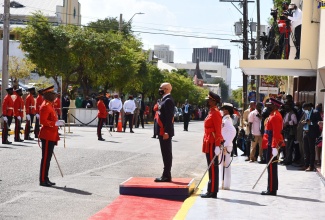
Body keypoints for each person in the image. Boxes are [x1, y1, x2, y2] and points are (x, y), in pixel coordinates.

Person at [39, 85, 65, 187]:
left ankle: (46, 178)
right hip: (47, 135)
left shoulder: (50, 105)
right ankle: (42, 179)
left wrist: (57, 122)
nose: (55, 96)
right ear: (48, 95)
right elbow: (43, 121)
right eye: (53, 94)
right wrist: (54, 124)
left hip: (51, 135)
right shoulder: (45, 106)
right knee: (45, 158)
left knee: (48, 158)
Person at [201, 91, 223, 198]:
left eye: (209, 100)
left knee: (213, 168)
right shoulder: (211, 112)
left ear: (214, 102)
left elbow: (218, 130)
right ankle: (211, 189)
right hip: (208, 141)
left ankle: (213, 191)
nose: (207, 101)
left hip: (213, 143)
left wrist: (218, 145)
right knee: (211, 167)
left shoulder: (216, 113)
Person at [261, 98, 283, 196]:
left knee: (271, 167)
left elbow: (276, 133)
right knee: (270, 167)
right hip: (269, 143)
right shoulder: (272, 115)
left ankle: (271, 189)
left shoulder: (275, 116)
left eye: (270, 105)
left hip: (271, 144)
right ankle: (271, 188)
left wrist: (274, 147)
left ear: (274, 106)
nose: (267, 106)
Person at [154, 82, 175, 183]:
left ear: (166, 89)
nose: (159, 89)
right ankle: (166, 174)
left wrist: (167, 131)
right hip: (161, 130)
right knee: (164, 152)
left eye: (161, 88)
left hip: (164, 131)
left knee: (166, 153)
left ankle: (166, 175)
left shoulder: (168, 101)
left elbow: (169, 118)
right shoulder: (164, 100)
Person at [300, 103, 322, 171]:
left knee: (311, 150)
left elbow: (319, 122)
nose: (304, 110)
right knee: (306, 150)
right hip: (305, 132)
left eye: (305, 108)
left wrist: (311, 123)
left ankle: (311, 166)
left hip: (312, 133)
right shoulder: (306, 113)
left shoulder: (316, 112)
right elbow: (306, 120)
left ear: (309, 107)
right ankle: (306, 165)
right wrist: (304, 122)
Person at [219, 103, 236, 190]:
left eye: (223, 109)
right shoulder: (226, 119)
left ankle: (225, 184)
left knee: (225, 165)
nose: (221, 111)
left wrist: (226, 144)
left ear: (226, 111)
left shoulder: (226, 120)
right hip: (226, 145)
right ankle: (225, 184)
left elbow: (233, 131)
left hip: (226, 146)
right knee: (224, 165)